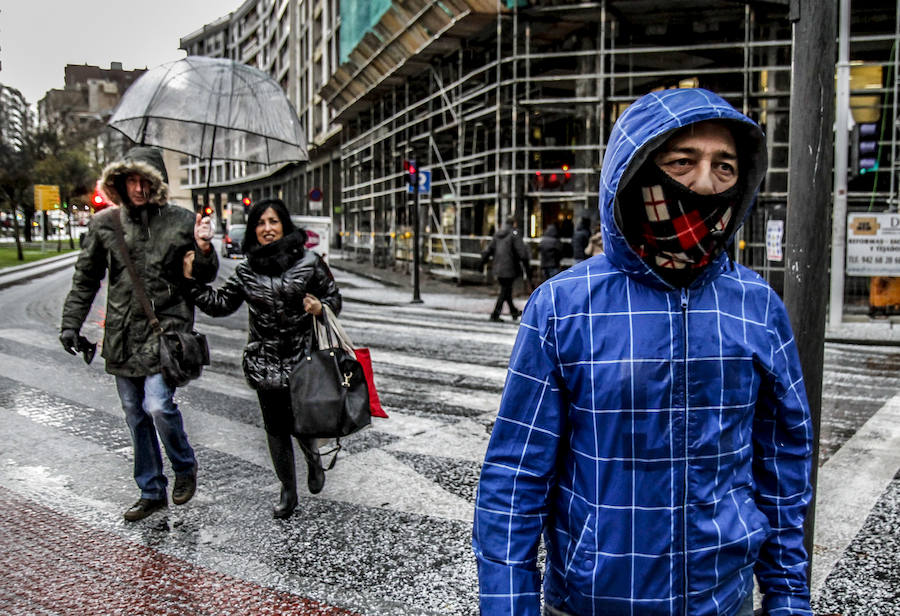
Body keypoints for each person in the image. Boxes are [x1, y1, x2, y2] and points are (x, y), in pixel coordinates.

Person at [473, 88, 813, 616]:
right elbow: (515, 478)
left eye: (724, 166)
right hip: (594, 601)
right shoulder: (564, 306)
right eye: (683, 162)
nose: (706, 182)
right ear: (633, 172)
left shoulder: (757, 307)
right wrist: (507, 604)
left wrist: (789, 597)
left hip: (724, 602)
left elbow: (782, 467)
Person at [60, 146, 217, 522]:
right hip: (121, 335)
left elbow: (205, 275)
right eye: (132, 180)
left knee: (158, 405)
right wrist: (71, 322)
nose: (139, 188)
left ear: (158, 183)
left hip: (167, 333)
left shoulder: (182, 222)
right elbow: (86, 279)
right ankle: (151, 490)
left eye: (147, 180)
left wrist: (205, 247)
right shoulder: (105, 224)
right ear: (120, 181)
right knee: (135, 414)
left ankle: (184, 465)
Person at [183, 198, 341, 519]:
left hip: (303, 360)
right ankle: (287, 489)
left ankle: (313, 459)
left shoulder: (309, 262)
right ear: (254, 230)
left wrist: (319, 307)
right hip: (264, 361)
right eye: (260, 223)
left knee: (302, 425)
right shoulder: (247, 270)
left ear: (284, 224)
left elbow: (333, 298)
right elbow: (219, 304)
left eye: (273, 222)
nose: (267, 229)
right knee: (276, 429)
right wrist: (191, 282)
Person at [481, 216, 531, 322]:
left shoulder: (498, 234)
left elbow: (489, 249)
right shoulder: (514, 234)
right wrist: (526, 267)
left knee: (507, 290)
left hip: (498, 267)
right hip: (509, 268)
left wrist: (482, 263)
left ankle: (513, 311)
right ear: (514, 223)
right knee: (505, 291)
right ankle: (495, 314)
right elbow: (522, 253)